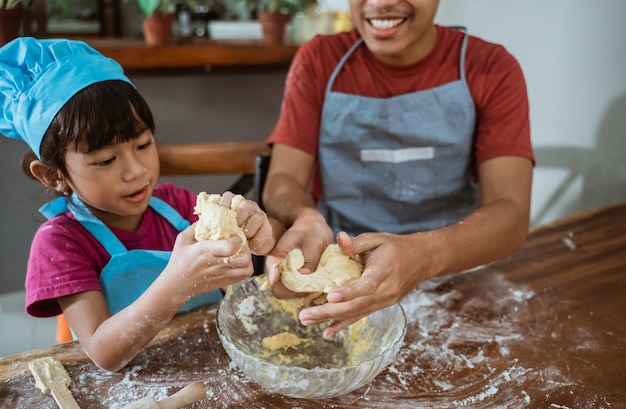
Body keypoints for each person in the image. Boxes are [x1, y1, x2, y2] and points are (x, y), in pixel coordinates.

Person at [0, 37, 275, 372]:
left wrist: (256, 232)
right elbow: (104, 353)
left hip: (211, 367)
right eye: (104, 161)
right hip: (127, 389)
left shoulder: (176, 205)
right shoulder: (60, 243)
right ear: (54, 176)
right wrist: (176, 285)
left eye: (143, 144)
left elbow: (250, 254)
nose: (136, 171)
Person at [262, 0, 534, 339]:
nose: (380, 3)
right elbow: (283, 178)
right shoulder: (320, 59)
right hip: (339, 274)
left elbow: (511, 211)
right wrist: (303, 217)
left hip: (455, 271)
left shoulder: (490, 68)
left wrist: (424, 255)